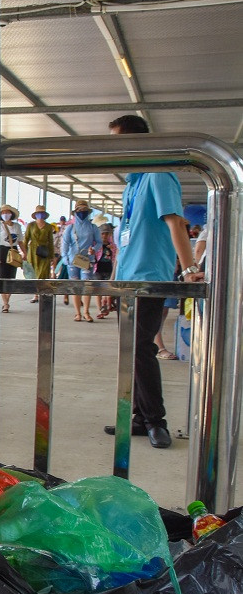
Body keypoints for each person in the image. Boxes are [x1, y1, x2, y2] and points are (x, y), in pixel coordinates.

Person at [102, 114, 203, 449]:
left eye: (120, 143)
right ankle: (138, 418)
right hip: (126, 282)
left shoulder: (159, 174)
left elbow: (176, 223)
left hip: (149, 279)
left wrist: (189, 270)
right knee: (130, 352)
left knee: (142, 349)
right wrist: (111, 284)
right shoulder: (131, 184)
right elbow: (123, 243)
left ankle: (155, 421)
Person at [62, 199, 102, 322]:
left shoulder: (93, 227)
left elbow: (99, 242)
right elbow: (65, 243)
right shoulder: (70, 228)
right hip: (73, 260)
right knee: (75, 286)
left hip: (87, 260)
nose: (82, 213)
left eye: (85, 210)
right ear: (75, 212)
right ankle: (77, 312)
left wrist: (94, 249)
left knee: (86, 285)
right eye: (79, 211)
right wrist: (65, 257)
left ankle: (86, 311)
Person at [0, 204, 25, 313]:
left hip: (13, 251)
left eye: (7, 212)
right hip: (2, 251)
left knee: (11, 277)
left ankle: (7, 299)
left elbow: (20, 241)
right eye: (3, 213)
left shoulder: (17, 226)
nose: (5, 214)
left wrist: (25, 253)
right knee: (3, 277)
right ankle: (5, 303)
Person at [24, 204, 54, 301]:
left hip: (44, 251)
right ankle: (35, 294)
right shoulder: (31, 225)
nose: (40, 215)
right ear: (35, 214)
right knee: (33, 272)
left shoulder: (49, 227)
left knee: (43, 272)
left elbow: (51, 241)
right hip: (32, 251)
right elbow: (26, 239)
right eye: (38, 213)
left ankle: (41, 292)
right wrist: (24, 253)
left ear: (45, 215)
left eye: (42, 213)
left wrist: (52, 256)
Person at [94, 218, 117, 318]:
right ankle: (100, 309)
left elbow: (116, 257)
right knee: (98, 290)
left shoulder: (113, 245)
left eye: (107, 234)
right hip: (98, 269)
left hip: (109, 269)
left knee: (107, 289)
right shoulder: (97, 244)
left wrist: (113, 249)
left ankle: (106, 306)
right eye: (103, 234)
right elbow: (92, 254)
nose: (104, 236)